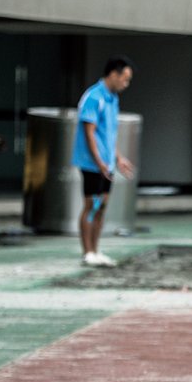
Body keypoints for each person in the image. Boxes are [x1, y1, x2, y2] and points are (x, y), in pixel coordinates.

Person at [73, 58, 135, 267]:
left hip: (107, 164)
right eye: (125, 80)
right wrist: (99, 162)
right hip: (92, 164)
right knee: (91, 205)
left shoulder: (112, 98)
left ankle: (96, 250)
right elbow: (90, 134)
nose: (126, 85)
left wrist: (118, 158)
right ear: (114, 74)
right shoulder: (94, 97)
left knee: (102, 205)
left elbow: (107, 135)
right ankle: (87, 252)